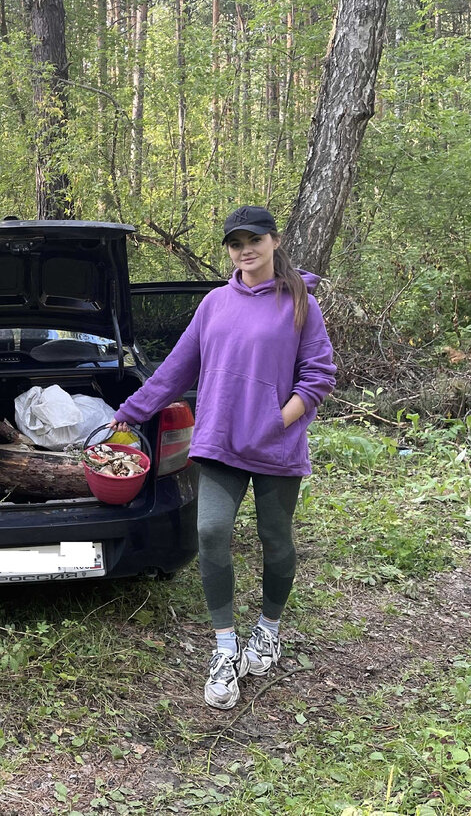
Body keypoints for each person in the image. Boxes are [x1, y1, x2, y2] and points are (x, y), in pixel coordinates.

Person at [110, 205, 336, 710]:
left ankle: (269, 629)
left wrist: (279, 419)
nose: (245, 249)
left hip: (276, 445)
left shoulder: (300, 303)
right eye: (235, 243)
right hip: (219, 442)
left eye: (254, 239)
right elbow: (176, 369)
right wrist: (129, 412)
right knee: (211, 531)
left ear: (274, 242)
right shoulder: (214, 303)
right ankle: (226, 647)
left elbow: (319, 375)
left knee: (275, 538)